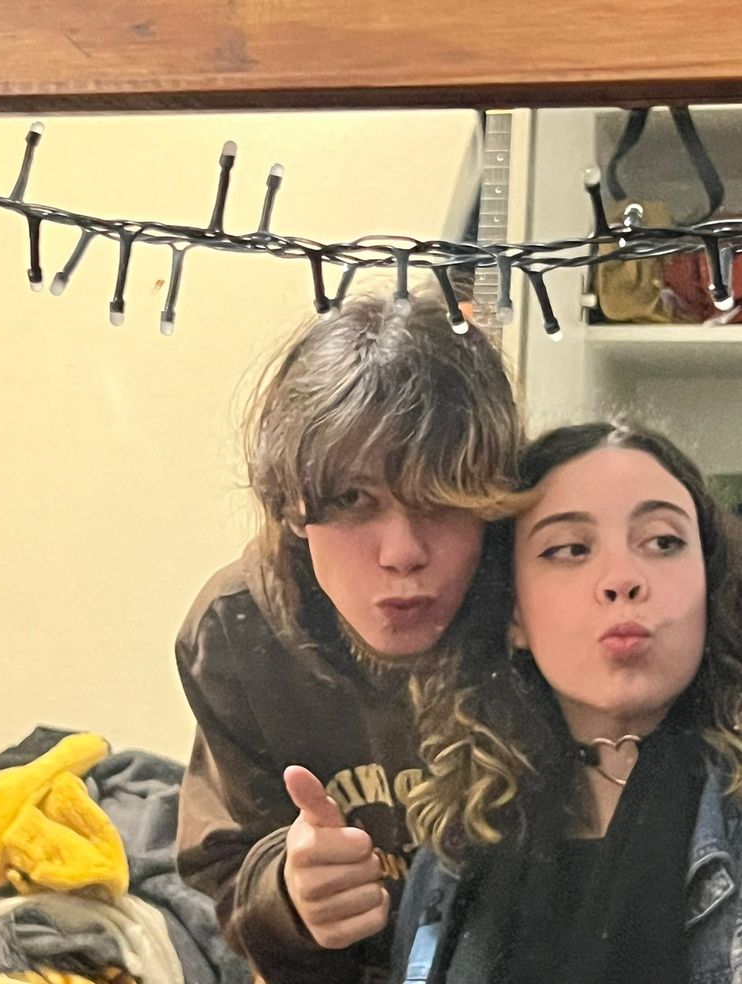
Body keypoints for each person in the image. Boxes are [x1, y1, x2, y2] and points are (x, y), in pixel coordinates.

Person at [175, 288, 524, 984]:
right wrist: (291, 895)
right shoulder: (238, 633)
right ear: (292, 506)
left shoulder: (540, 607)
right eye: (352, 500)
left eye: (442, 497)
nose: (403, 553)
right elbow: (225, 866)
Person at [392, 421, 742, 984]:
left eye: (663, 542)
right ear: (514, 614)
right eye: (571, 549)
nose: (622, 579)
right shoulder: (454, 851)